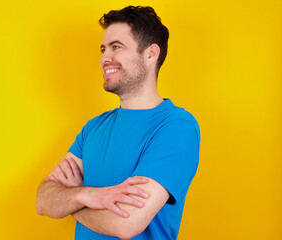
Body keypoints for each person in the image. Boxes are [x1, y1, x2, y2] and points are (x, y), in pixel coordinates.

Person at [36, 5, 200, 240]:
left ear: (151, 54)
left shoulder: (175, 126)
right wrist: (86, 196)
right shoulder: (93, 127)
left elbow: (125, 224)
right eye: (103, 49)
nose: (104, 58)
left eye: (116, 47)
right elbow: (43, 200)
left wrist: (72, 200)